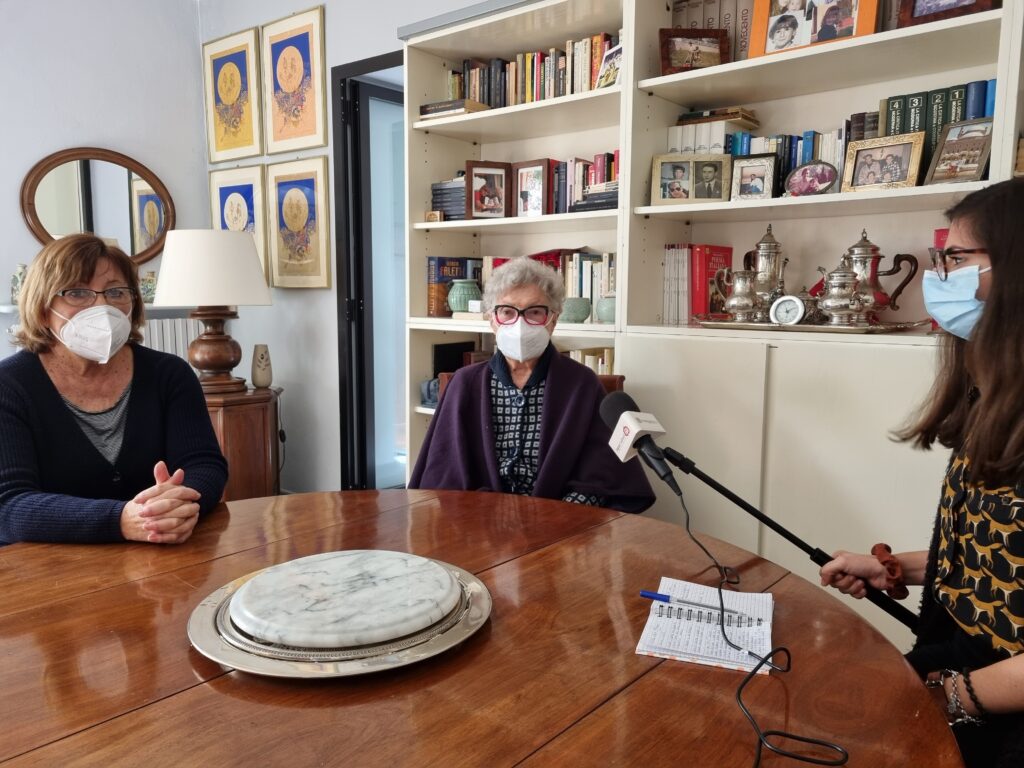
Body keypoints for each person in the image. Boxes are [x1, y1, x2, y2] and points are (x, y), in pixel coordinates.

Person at [819, 179, 1024, 767]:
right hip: (960, 659)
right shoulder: (993, 399)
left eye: (955, 259)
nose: (940, 276)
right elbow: (999, 557)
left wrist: (948, 697)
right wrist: (895, 567)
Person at [0, 235, 228, 545]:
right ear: (42, 308)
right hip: (48, 564)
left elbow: (204, 464)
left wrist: (176, 505)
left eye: (116, 291)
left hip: (161, 551)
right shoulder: (9, 386)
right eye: (77, 292)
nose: (102, 306)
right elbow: (9, 504)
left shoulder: (169, 374)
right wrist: (120, 520)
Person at [409, 257, 655, 512]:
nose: (520, 324)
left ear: (553, 320)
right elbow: (445, 476)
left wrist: (556, 518)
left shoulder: (582, 384)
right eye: (507, 312)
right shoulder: (464, 384)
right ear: (492, 320)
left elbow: (599, 477)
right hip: (479, 521)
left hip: (560, 522)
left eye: (535, 312)